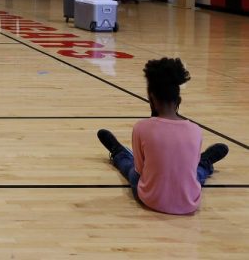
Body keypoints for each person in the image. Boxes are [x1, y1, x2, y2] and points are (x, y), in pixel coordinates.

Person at [96, 57, 229, 214]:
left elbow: (140, 171)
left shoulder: (141, 128)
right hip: (189, 202)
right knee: (195, 174)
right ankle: (205, 161)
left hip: (151, 199)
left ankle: (118, 151)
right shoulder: (195, 130)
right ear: (179, 99)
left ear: (151, 98)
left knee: (130, 168)